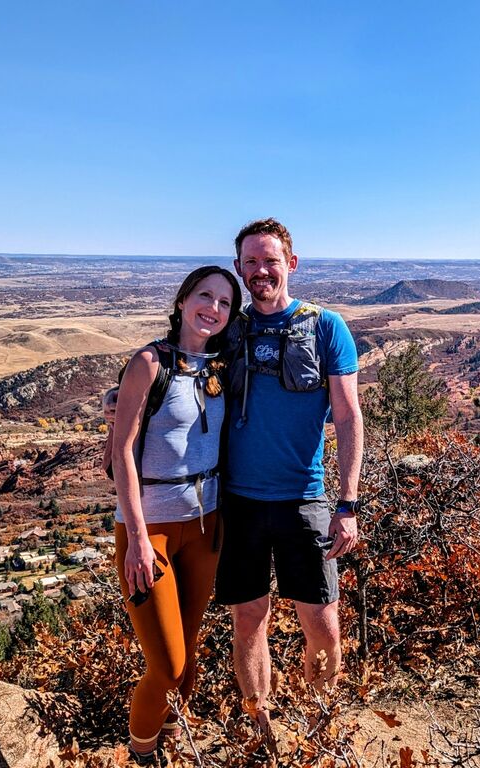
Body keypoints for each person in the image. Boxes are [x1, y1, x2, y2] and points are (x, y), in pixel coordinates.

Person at [215, 218, 363, 732]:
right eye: (250, 262)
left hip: (306, 499)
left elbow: (347, 416)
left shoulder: (326, 327)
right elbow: (176, 368)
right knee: (248, 621)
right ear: (239, 269)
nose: (261, 271)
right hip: (238, 502)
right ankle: (264, 727)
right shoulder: (228, 332)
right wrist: (121, 401)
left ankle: (321, 729)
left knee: (322, 625)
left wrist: (348, 503)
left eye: (270, 260)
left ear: (291, 264)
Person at [111, 265, 242, 764]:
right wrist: (139, 539)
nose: (214, 308)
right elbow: (122, 450)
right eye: (205, 296)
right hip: (152, 532)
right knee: (166, 665)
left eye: (225, 303)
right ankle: (141, 755)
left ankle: (168, 744)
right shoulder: (149, 361)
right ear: (184, 299)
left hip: (207, 528)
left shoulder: (221, 365)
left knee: (189, 660)